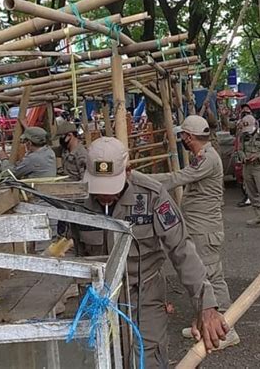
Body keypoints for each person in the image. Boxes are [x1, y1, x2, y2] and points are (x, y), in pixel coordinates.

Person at [81, 137, 228, 367]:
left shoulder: (151, 195)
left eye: (111, 188)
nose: (105, 197)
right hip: (99, 300)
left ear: (127, 172)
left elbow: (182, 250)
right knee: (102, 359)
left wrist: (206, 305)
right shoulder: (78, 201)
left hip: (145, 295)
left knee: (146, 359)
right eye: (99, 189)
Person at [150, 115, 239, 348]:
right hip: (200, 226)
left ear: (188, 137)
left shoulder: (207, 159)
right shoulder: (205, 156)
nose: (182, 140)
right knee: (201, 275)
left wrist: (140, 180)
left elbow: (176, 179)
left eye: (182, 136)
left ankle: (227, 327)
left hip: (205, 228)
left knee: (212, 276)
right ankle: (204, 323)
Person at [235, 104, 254, 207]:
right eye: (244, 112)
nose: (245, 114)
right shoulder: (239, 124)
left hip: (253, 154)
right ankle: (248, 197)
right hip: (242, 154)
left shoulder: (254, 123)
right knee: (243, 178)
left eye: (247, 112)